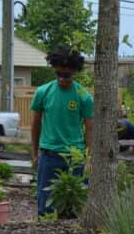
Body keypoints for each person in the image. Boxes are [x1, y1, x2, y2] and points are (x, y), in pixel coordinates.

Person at [31, 45, 94, 216]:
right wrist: (35, 152)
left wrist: (89, 157)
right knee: (45, 205)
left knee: (74, 206)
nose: (61, 78)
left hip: (75, 156)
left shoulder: (84, 96)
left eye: (66, 75)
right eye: (58, 73)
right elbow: (35, 124)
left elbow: (90, 128)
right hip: (49, 154)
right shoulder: (43, 92)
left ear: (74, 72)